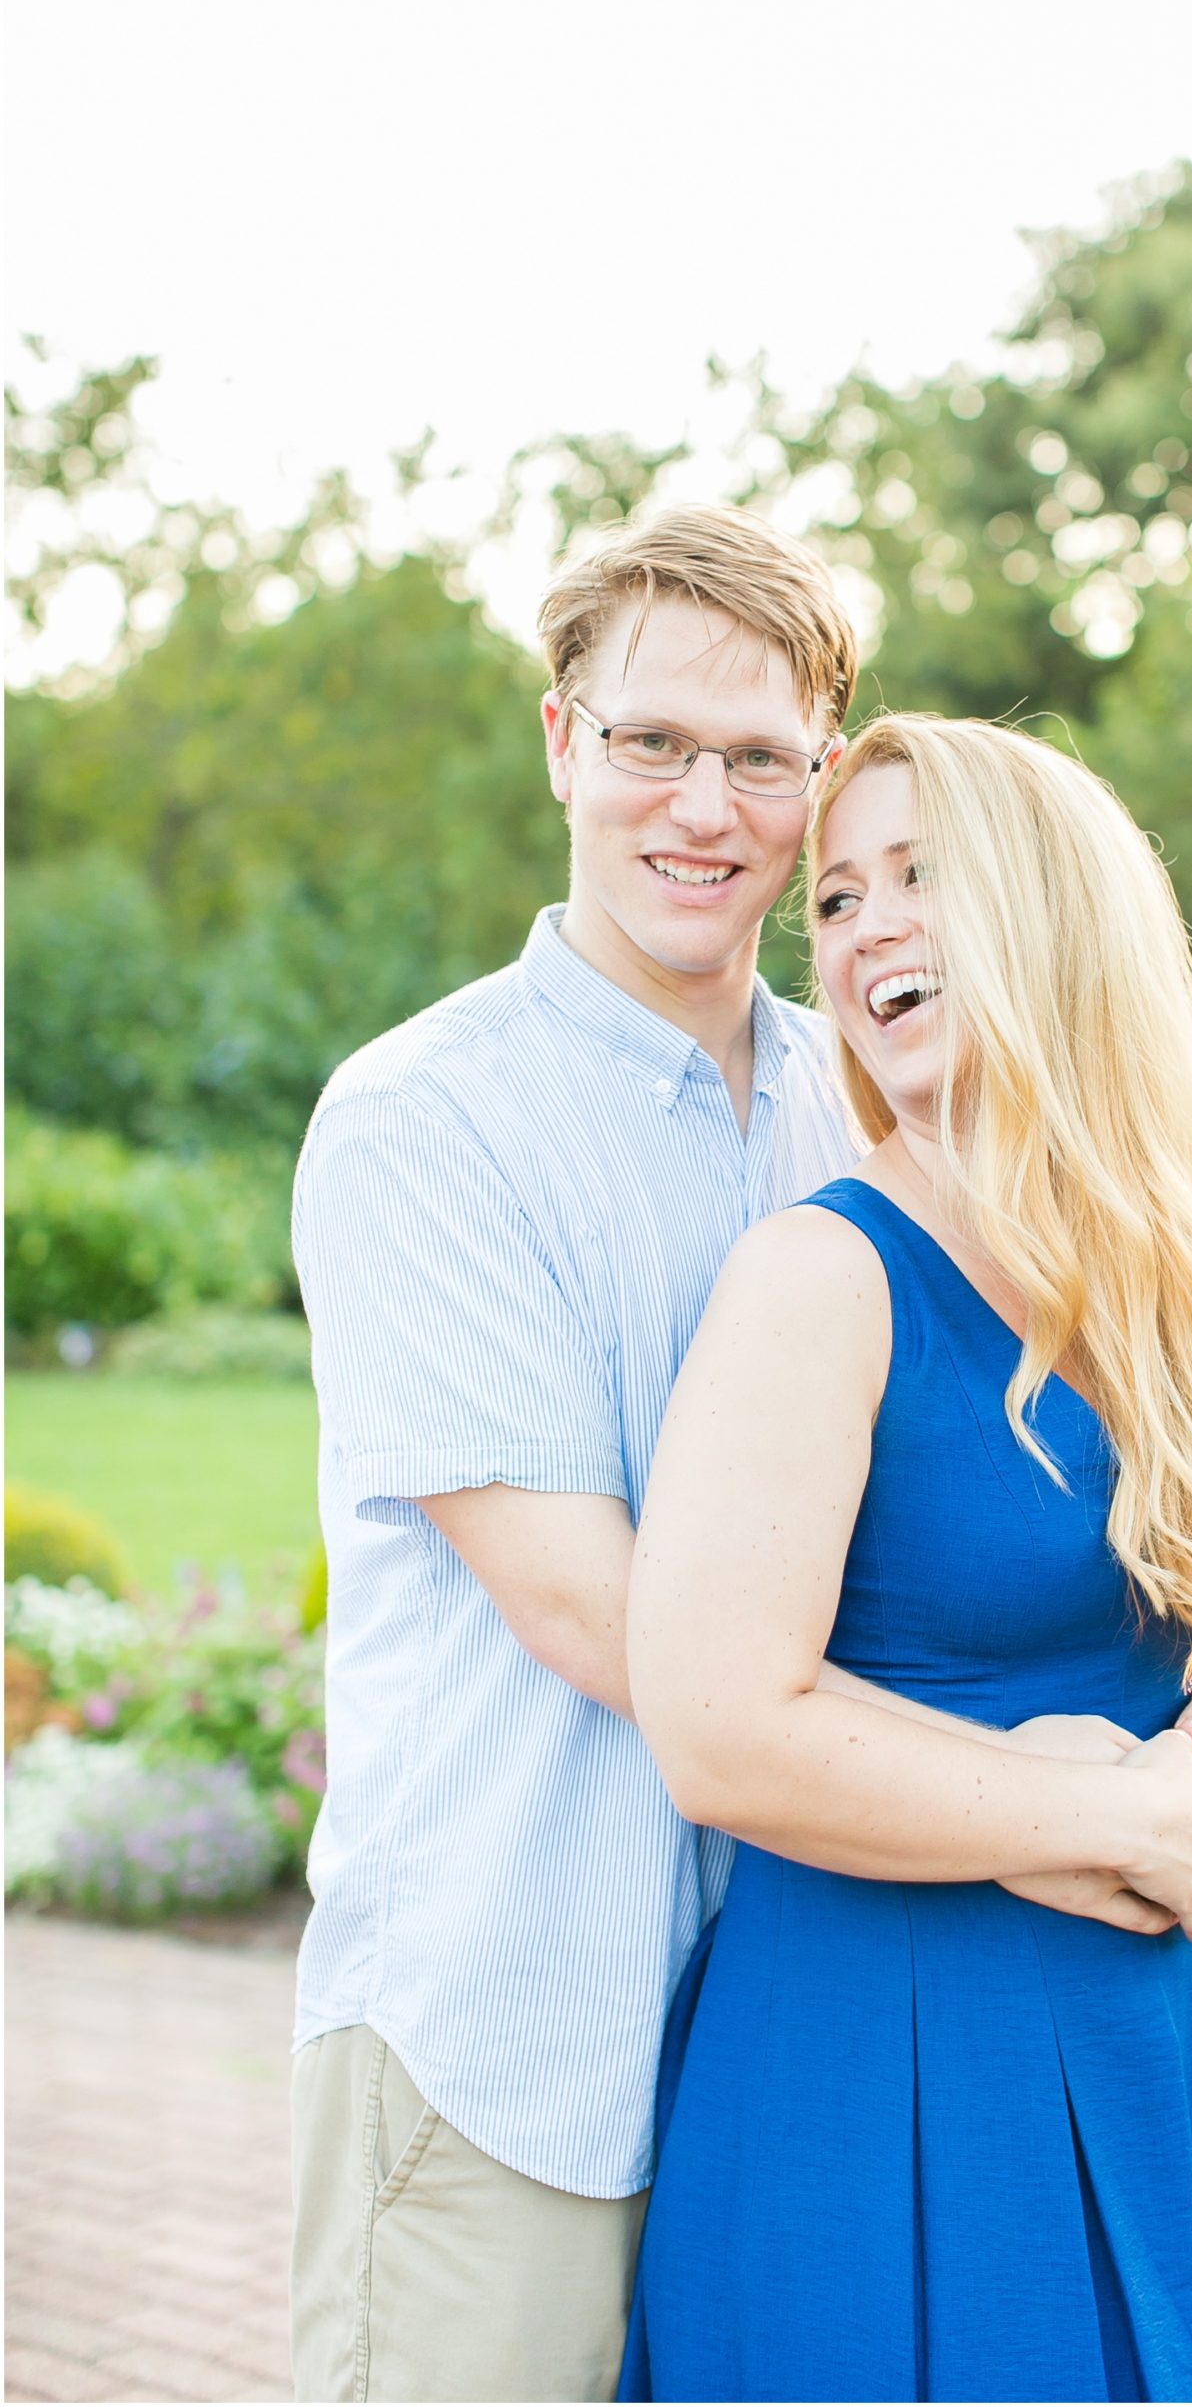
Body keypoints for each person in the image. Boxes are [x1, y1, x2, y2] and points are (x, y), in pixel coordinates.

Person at [621, 713, 1192, 2404]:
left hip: (1141, 2042)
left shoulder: (1179, 1272)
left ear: (1059, 913)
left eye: (923, 875)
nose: (865, 925)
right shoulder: (820, 1279)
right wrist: (1110, 1813)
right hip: (884, 2049)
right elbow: (715, 1727)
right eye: (835, 899)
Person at [286, 507, 871, 2404]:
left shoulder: (870, 1115)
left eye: (760, 760)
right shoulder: (422, 1123)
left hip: (782, 2031)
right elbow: (606, 1621)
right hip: (506, 2037)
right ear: (561, 743)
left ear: (821, 786)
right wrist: (1035, 1796)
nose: (701, 807)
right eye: (651, 743)